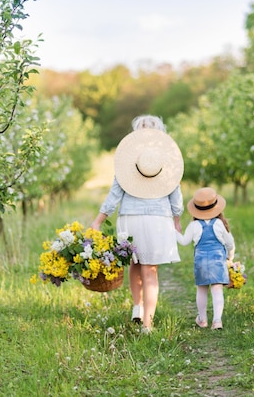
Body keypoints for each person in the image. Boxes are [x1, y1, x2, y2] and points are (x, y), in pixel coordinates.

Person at [91, 115, 184, 333]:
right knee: (150, 269)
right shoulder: (168, 163)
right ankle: (147, 326)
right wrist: (176, 220)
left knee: (135, 262)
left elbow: (114, 194)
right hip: (158, 219)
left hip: (130, 218)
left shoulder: (127, 162)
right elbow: (176, 196)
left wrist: (98, 221)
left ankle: (137, 307)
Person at [177, 187, 235, 330]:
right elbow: (230, 244)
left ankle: (202, 319)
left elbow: (184, 241)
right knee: (217, 290)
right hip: (217, 262)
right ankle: (217, 321)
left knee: (201, 290)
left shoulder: (194, 225)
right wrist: (230, 257)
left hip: (201, 262)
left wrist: (175, 232)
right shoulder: (220, 224)